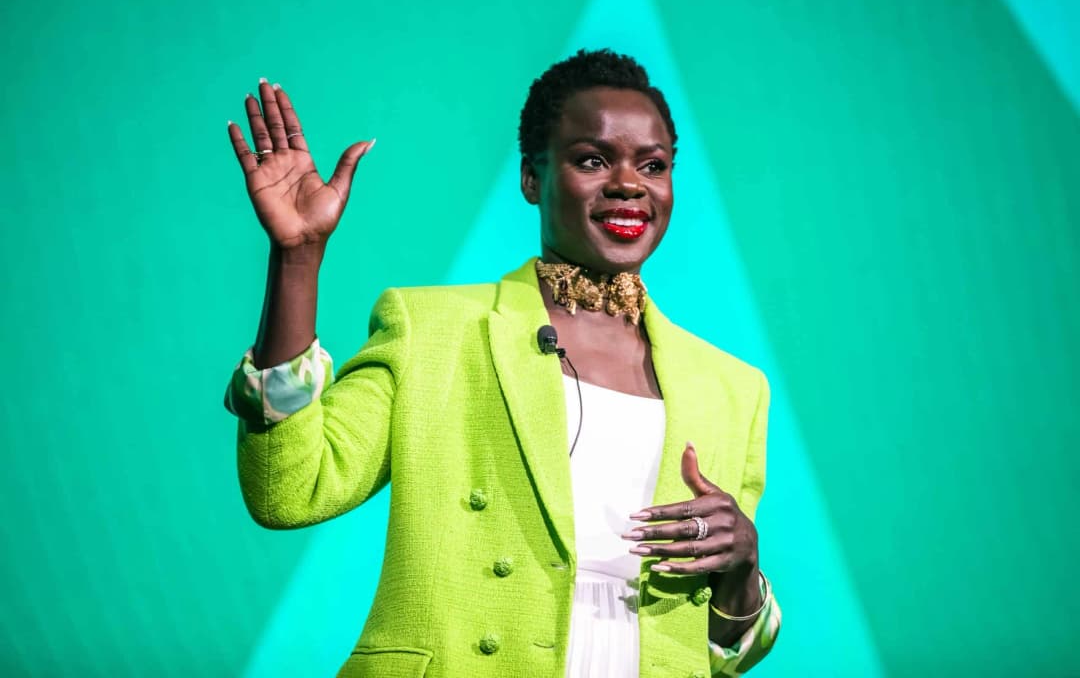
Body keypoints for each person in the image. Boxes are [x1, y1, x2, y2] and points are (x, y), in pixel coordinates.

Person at [223, 49, 781, 678]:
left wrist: (743, 568)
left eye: (653, 165)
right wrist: (297, 260)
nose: (629, 184)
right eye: (592, 160)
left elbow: (722, 648)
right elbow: (290, 492)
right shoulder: (432, 331)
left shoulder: (734, 391)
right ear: (531, 178)